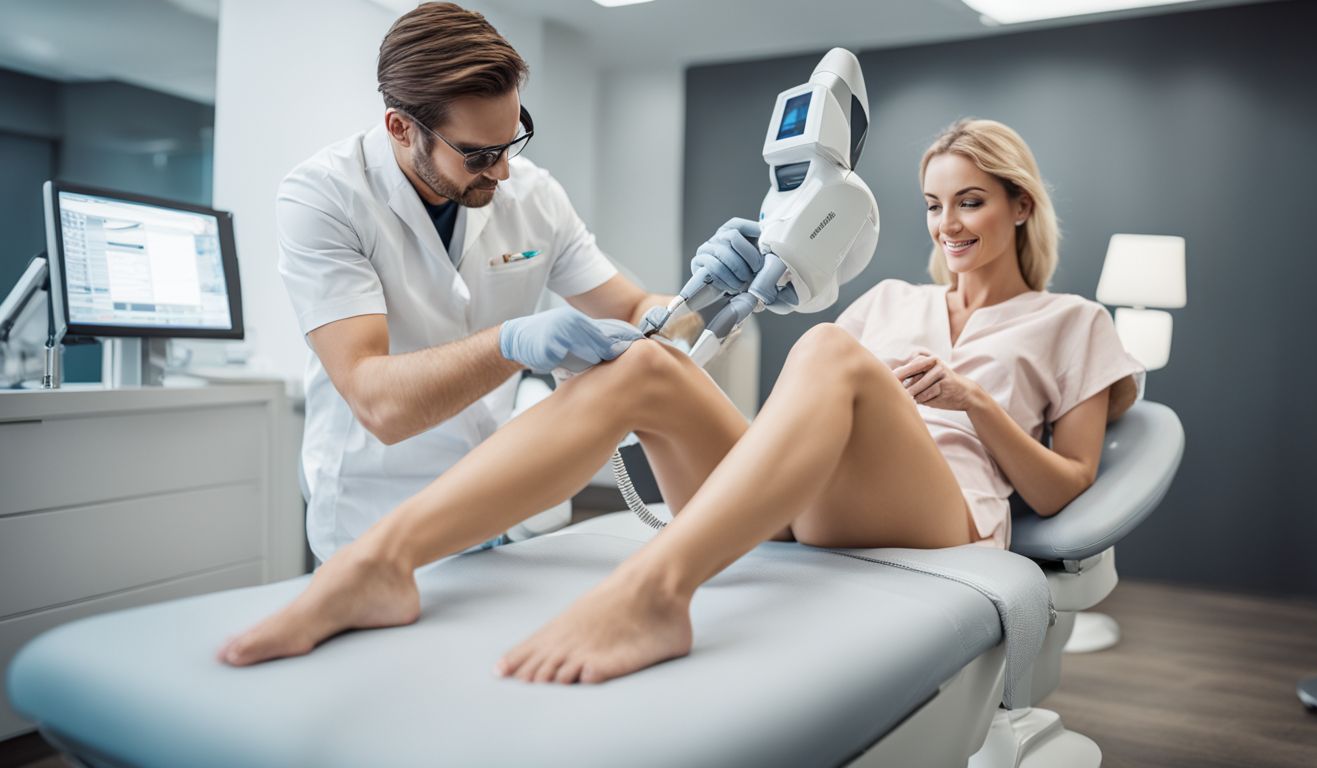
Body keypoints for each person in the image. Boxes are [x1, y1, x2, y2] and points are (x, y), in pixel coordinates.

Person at [220, 118, 1142, 688]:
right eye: (934, 207)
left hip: (943, 510)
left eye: (971, 203)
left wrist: (975, 405)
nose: (948, 226)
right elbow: (790, 409)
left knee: (825, 347)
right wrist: (714, 301)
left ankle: (659, 588)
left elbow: (1065, 490)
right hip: (808, 500)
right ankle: (381, 563)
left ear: (1019, 207)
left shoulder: (1072, 320)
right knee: (644, 371)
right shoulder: (889, 303)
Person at [276, 2, 714, 563]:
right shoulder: (325, 199)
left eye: (513, 139)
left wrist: (698, 298)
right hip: (376, 514)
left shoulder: (535, 194)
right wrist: (509, 342)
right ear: (401, 128)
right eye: (479, 153)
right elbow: (377, 401)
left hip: (496, 507)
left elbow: (633, 306)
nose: (503, 171)